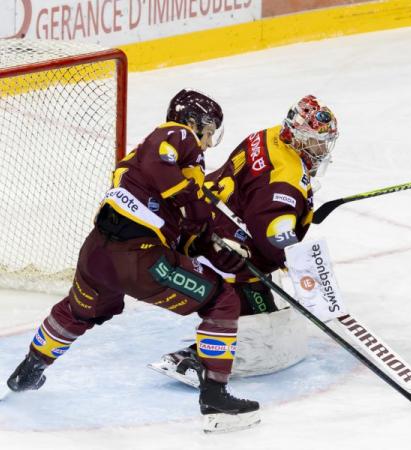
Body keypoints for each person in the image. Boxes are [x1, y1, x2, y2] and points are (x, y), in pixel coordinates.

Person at [6, 89, 260, 432]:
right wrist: (195, 206)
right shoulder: (176, 135)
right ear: (191, 122)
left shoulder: (141, 163)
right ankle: (215, 397)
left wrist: (209, 239)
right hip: (139, 259)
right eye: (209, 130)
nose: (209, 141)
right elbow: (166, 166)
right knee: (221, 299)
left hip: (96, 254)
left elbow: (181, 227)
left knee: (79, 311)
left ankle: (28, 371)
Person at [152, 94, 339, 384]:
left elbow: (258, 193)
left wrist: (299, 210)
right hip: (220, 245)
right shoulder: (286, 178)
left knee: (263, 306)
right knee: (264, 329)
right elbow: (273, 236)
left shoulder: (268, 136)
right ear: (299, 138)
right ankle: (196, 359)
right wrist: (298, 261)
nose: (322, 148)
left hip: (203, 218)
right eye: (317, 141)